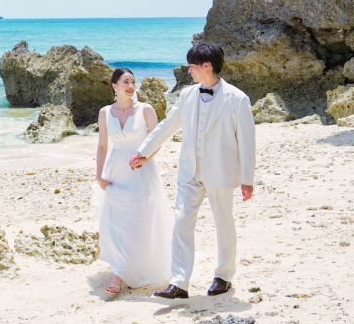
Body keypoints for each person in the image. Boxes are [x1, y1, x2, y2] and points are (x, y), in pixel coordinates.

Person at [131, 43, 255, 299]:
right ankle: (179, 283)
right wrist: (144, 151)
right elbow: (168, 125)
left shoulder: (237, 99)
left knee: (224, 224)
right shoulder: (187, 95)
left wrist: (247, 180)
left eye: (193, 66)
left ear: (207, 66)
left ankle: (223, 276)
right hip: (189, 172)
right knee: (181, 223)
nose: (189, 71)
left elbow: (247, 142)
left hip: (221, 172)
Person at [94, 68, 171, 297]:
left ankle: (133, 268)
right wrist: (99, 174)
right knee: (117, 221)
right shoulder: (105, 112)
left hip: (140, 170)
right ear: (114, 86)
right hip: (116, 170)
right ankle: (118, 272)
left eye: (133, 82)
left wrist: (145, 158)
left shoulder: (145, 110)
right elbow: (102, 146)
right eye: (125, 81)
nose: (130, 86)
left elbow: (157, 141)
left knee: (141, 219)